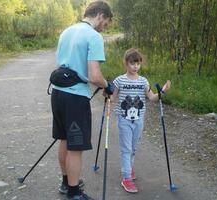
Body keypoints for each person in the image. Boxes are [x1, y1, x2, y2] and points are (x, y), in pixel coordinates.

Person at [51, 1, 114, 200]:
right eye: (106, 23)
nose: (104, 27)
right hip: (75, 98)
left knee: (64, 139)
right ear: (101, 15)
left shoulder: (66, 31)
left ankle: (65, 182)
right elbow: (94, 76)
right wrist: (108, 86)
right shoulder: (93, 36)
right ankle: (74, 193)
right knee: (76, 146)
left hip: (58, 93)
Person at [112, 48, 171, 193]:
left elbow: (151, 98)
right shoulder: (119, 80)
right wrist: (107, 93)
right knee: (126, 149)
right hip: (124, 119)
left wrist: (162, 92)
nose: (135, 66)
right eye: (132, 63)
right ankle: (126, 178)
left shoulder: (143, 81)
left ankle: (129, 168)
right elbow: (112, 97)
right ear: (126, 63)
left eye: (138, 63)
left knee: (133, 148)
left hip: (139, 119)